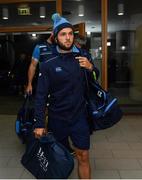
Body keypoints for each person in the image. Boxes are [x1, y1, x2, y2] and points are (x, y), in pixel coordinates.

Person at [33, 13, 99, 179]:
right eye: (63, 34)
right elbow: (40, 96)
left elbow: (95, 81)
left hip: (80, 117)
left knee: (83, 156)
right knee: (59, 159)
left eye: (70, 34)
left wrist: (91, 68)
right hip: (57, 119)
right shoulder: (48, 64)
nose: (68, 38)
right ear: (55, 38)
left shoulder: (83, 58)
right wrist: (39, 123)